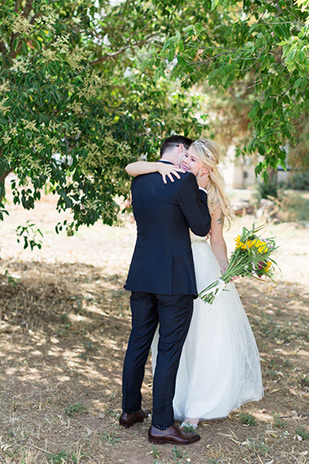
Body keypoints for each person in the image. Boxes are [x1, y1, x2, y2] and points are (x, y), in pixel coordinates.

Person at [126, 138, 264, 428]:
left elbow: (214, 238)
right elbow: (133, 169)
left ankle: (193, 404)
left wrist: (225, 266)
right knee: (175, 345)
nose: (186, 162)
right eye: (185, 156)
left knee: (200, 339)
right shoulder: (173, 180)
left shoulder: (201, 191)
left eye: (192, 159)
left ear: (206, 166)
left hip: (196, 269)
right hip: (175, 272)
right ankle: (170, 406)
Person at [120, 135, 212, 445]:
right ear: (180, 150)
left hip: (141, 275)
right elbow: (201, 227)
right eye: (187, 153)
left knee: (138, 343)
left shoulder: (140, 180)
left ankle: (130, 411)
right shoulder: (184, 181)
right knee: (168, 350)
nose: (188, 160)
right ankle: (161, 424)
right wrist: (200, 190)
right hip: (173, 281)